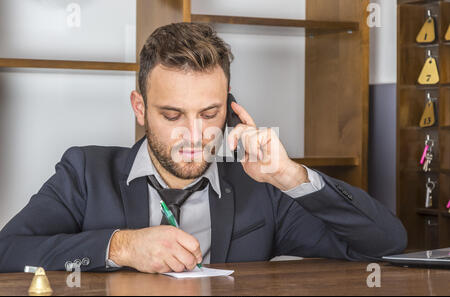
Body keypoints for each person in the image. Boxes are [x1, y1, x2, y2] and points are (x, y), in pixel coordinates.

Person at [0, 23, 407, 273]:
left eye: (209, 113)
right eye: (172, 115)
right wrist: (121, 246)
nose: (194, 135)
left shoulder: (260, 189)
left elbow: (385, 243)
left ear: (230, 107)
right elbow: (7, 252)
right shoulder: (85, 173)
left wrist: (290, 176)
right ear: (139, 108)